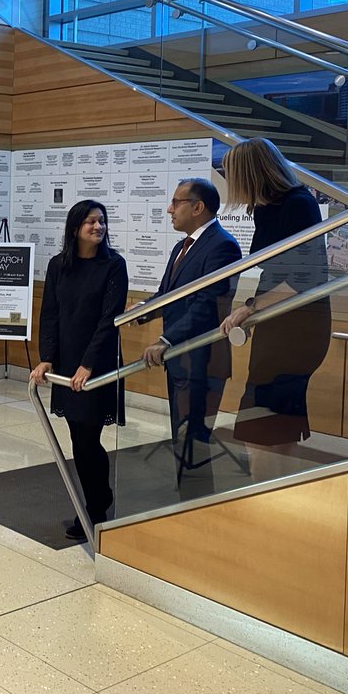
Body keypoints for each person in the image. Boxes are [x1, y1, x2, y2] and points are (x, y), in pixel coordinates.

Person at [218, 138, 331, 478]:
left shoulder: (296, 204)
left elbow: (305, 277)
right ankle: (277, 494)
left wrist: (250, 308)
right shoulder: (271, 205)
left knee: (260, 419)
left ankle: (262, 496)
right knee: (279, 418)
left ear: (250, 173)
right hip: (283, 322)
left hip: (297, 326)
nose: (230, 181)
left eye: (233, 174)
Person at [30, 199, 128, 541]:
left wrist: (88, 364)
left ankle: (96, 507)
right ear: (75, 229)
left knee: (88, 439)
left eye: (101, 221)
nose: (98, 227)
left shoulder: (114, 265)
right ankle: (94, 500)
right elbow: (50, 313)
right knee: (78, 438)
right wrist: (47, 358)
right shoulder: (60, 265)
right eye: (90, 222)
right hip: (67, 362)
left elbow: (109, 320)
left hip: (96, 364)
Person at [140, 179, 243, 488]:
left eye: (176, 202)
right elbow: (167, 294)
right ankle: (187, 498)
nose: (169, 209)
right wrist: (142, 311)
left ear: (198, 207)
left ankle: (197, 500)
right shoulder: (181, 246)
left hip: (202, 358)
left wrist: (165, 340)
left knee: (194, 436)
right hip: (180, 358)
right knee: (182, 434)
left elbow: (207, 305)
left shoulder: (222, 246)